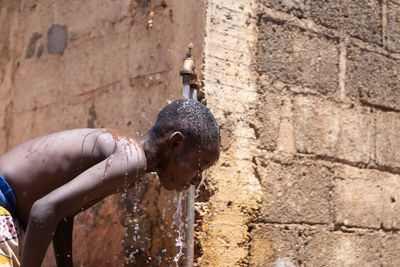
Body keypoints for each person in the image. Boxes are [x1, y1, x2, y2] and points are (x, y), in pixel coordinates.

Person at [0, 99, 220, 267]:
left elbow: (62, 213)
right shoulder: (131, 162)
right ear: (175, 144)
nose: (196, 181)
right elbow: (43, 210)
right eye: (198, 167)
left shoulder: (127, 157)